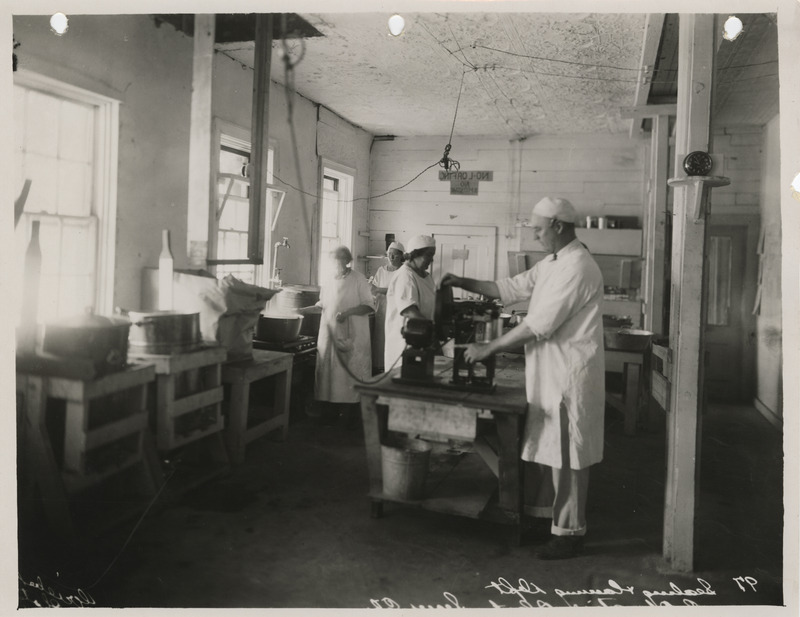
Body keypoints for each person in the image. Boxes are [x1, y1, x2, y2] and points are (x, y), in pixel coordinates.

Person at [441, 197, 605, 560]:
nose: (536, 236)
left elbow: (539, 324)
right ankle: (548, 522)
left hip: (568, 378)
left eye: (539, 230)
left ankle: (570, 533)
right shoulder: (553, 263)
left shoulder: (579, 266)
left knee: (568, 458)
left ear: (559, 226)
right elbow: (510, 288)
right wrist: (461, 280)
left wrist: (489, 348)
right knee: (551, 454)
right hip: (549, 375)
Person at [313, 246, 375, 426]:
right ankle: (329, 415)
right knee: (329, 376)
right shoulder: (329, 279)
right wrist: (304, 309)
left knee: (349, 376)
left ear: (346, 261)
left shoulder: (358, 279)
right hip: (330, 333)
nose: (336, 265)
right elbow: (324, 302)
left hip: (353, 335)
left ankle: (351, 418)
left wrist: (348, 313)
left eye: (339, 261)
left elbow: (369, 305)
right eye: (333, 261)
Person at [384, 235, 436, 371]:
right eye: (429, 255)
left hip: (422, 340)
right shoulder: (405, 275)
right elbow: (409, 311)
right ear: (415, 254)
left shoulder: (427, 277)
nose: (432, 259)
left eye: (433, 255)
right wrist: (432, 334)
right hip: (405, 344)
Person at [368, 241, 405, 373]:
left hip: (397, 311)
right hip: (382, 310)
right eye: (389, 255)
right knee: (380, 339)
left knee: (395, 338)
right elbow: (373, 290)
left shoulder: (404, 271)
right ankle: (380, 367)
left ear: (401, 256)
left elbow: (399, 291)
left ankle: (395, 368)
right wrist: (377, 290)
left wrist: (380, 290)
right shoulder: (381, 271)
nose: (391, 257)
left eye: (394, 255)